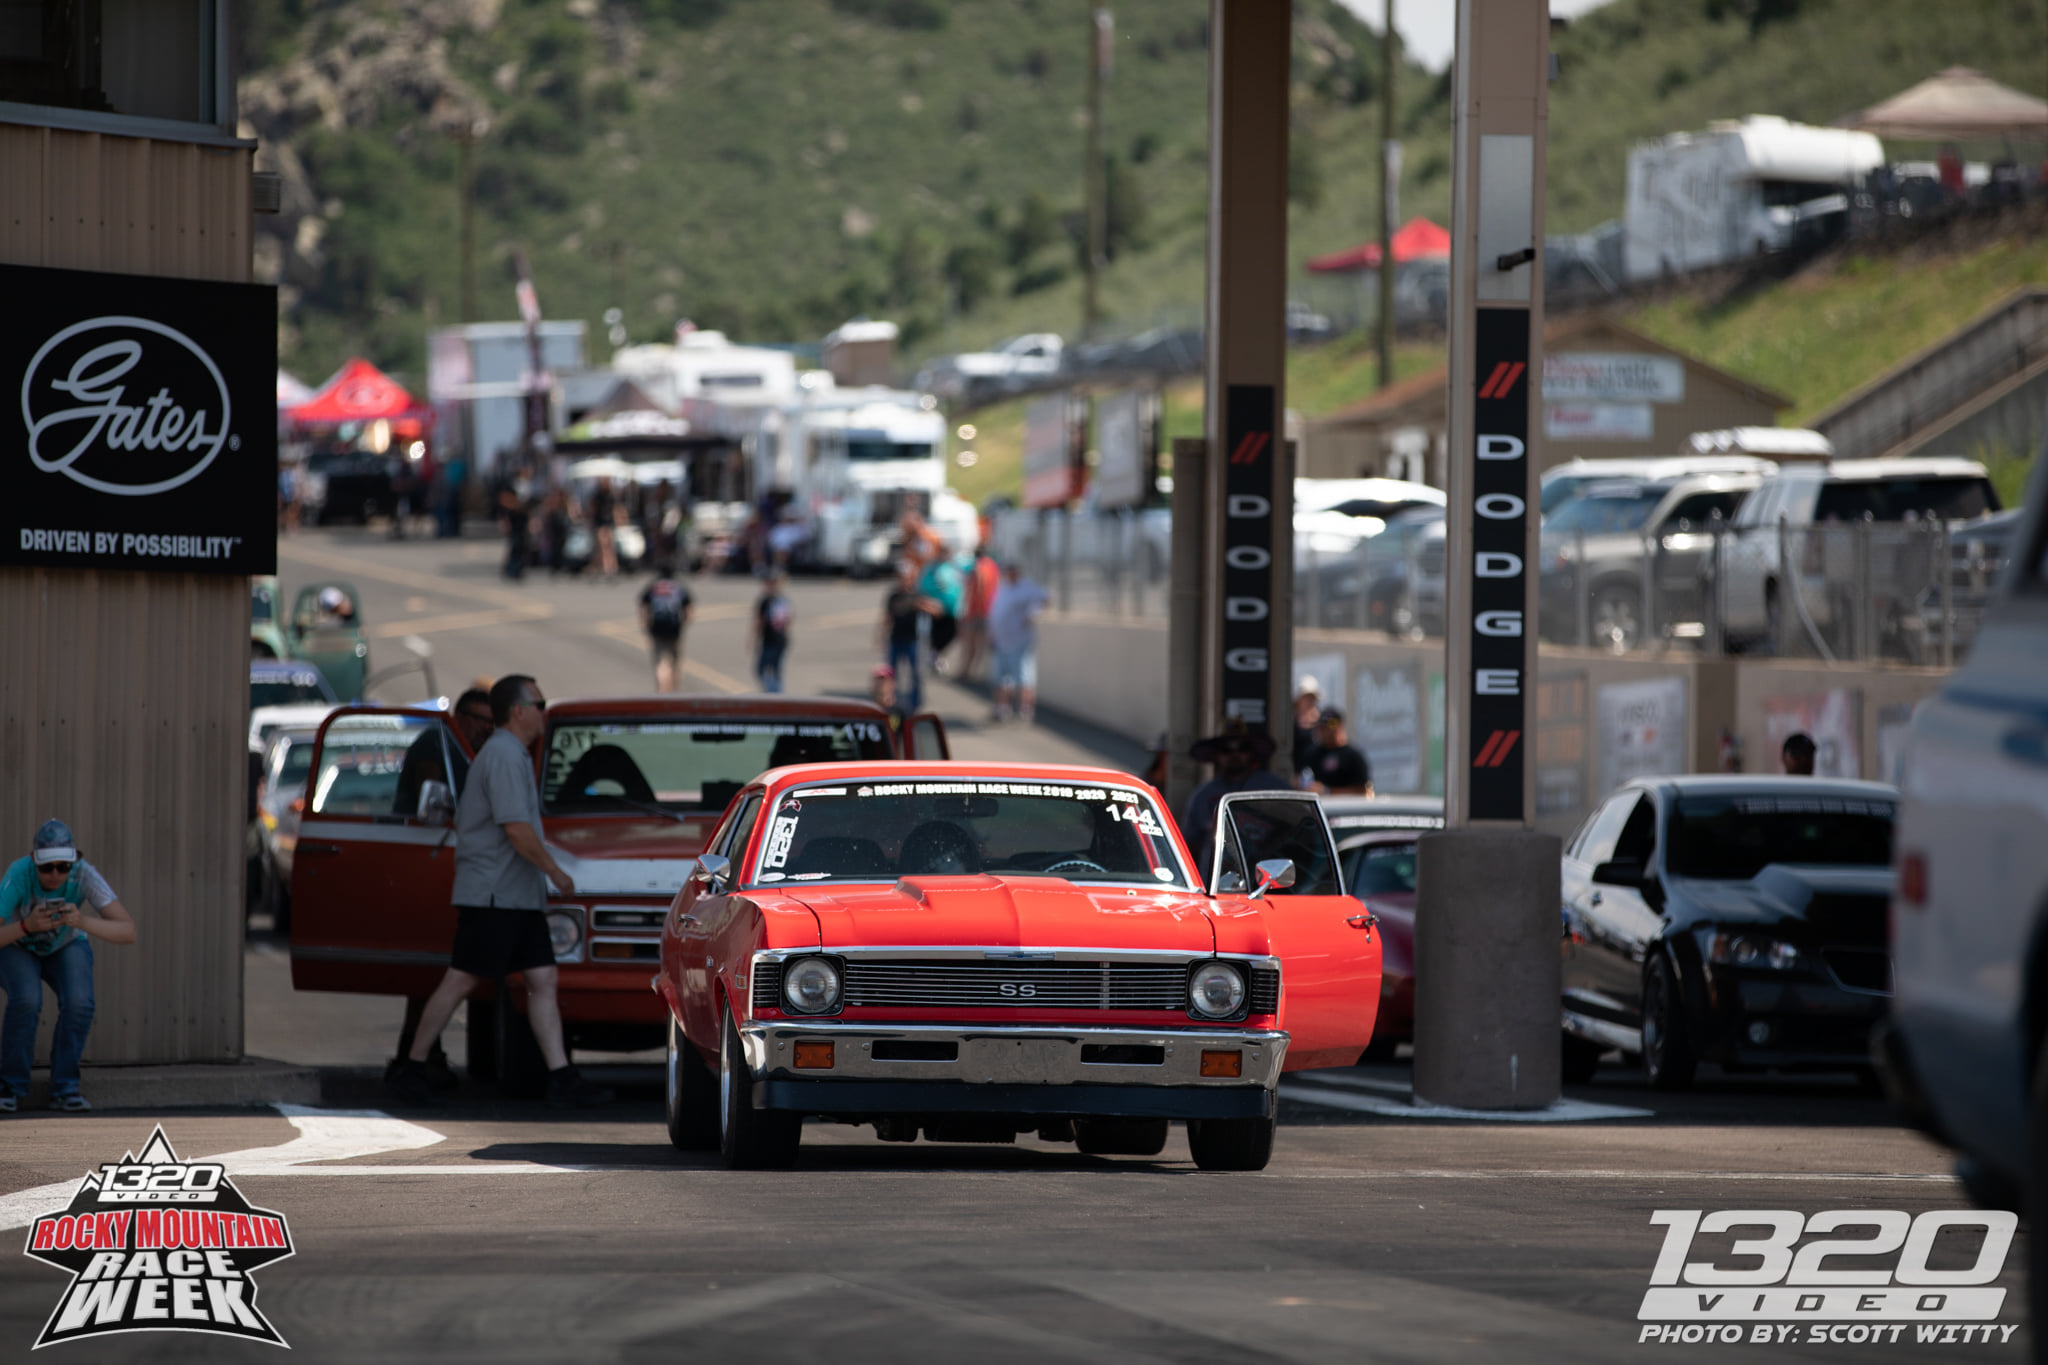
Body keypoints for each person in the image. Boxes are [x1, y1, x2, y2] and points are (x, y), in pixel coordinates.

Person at [388, 676, 612, 1109]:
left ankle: (561, 1076)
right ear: (519, 711)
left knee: (542, 979)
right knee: (462, 978)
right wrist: (556, 873)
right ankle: (410, 1067)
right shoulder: (504, 756)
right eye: (540, 704)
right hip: (494, 895)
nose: (544, 711)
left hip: (516, 895)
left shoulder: (513, 754)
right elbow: (517, 830)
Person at [388, 689, 498, 1091]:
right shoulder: (435, 747)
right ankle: (413, 1058)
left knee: (445, 971)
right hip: (424, 859)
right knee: (433, 969)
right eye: (479, 719)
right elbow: (434, 800)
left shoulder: (472, 753)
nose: (485, 728)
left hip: (453, 865)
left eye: (491, 722)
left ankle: (419, 1055)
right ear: (459, 716)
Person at [0, 820, 137, 1112]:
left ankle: (65, 1088)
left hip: (65, 943)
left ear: (74, 861)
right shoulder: (19, 873)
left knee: (79, 1003)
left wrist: (81, 921)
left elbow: (128, 931)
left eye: (63, 867)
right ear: (33, 861)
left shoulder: (84, 873)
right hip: (17, 944)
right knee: (26, 999)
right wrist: (26, 926)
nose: (55, 875)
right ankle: (8, 1087)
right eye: (46, 867)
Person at [1181, 722, 1290, 882]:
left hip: (1266, 883)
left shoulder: (1275, 788)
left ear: (1251, 753)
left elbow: (1293, 836)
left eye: (1242, 748)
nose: (1235, 754)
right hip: (1215, 885)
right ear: (1217, 755)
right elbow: (1190, 847)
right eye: (1227, 750)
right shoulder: (1202, 795)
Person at [987, 562, 1049, 723]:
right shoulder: (1002, 589)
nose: (1010, 575)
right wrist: (992, 635)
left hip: (1019, 642)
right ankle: (1002, 708)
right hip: (1001, 642)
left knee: (1024, 677)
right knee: (1001, 678)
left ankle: (1025, 709)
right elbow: (995, 613)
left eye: (1013, 571)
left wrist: (1032, 615)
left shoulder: (1028, 588)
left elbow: (1043, 599)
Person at [879, 563, 938, 714]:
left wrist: (923, 607)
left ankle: (915, 704)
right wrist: (881, 637)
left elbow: (937, 611)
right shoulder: (894, 596)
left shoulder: (918, 595)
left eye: (905, 577)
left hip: (913, 641)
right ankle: (891, 701)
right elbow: (887, 618)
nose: (903, 580)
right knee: (891, 674)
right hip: (895, 639)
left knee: (916, 674)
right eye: (900, 577)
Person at [639, 564, 693, 694]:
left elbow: (644, 608)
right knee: (675, 662)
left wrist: (646, 625)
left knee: (660, 662)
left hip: (657, 627)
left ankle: (662, 690)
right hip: (674, 628)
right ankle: (675, 691)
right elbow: (688, 609)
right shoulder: (679, 587)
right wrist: (684, 624)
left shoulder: (653, 587)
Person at [1307, 708, 1373, 796]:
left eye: (1331, 726)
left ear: (1340, 726)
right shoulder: (1312, 755)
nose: (1327, 731)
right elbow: (1299, 779)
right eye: (1322, 727)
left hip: (1346, 804)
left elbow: (1365, 791)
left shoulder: (1353, 756)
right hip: (1318, 803)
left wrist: (1328, 791)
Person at [958, 544, 1000, 682]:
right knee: (981, 644)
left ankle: (966, 671)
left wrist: (976, 605)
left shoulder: (979, 566)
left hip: (976, 611)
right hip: (989, 609)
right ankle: (975, 671)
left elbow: (979, 583)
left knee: (969, 644)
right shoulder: (993, 566)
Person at [919, 551, 965, 675]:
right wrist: (931, 602)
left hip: (952, 609)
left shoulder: (953, 568)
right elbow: (924, 586)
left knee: (951, 633)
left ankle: (936, 654)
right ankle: (935, 656)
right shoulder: (932, 568)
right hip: (936, 609)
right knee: (936, 634)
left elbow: (959, 584)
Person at [752, 572, 794, 693]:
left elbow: (760, 622)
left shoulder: (766, 601)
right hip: (780, 640)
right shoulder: (783, 601)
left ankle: (773, 693)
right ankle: (776, 692)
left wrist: (754, 639)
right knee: (775, 669)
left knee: (762, 669)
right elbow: (789, 620)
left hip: (771, 640)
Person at [1292, 678, 1324, 782]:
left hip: (1316, 772)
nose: (1310, 701)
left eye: (1312, 698)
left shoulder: (1321, 720)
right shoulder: (1289, 720)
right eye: (1307, 697)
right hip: (1294, 772)